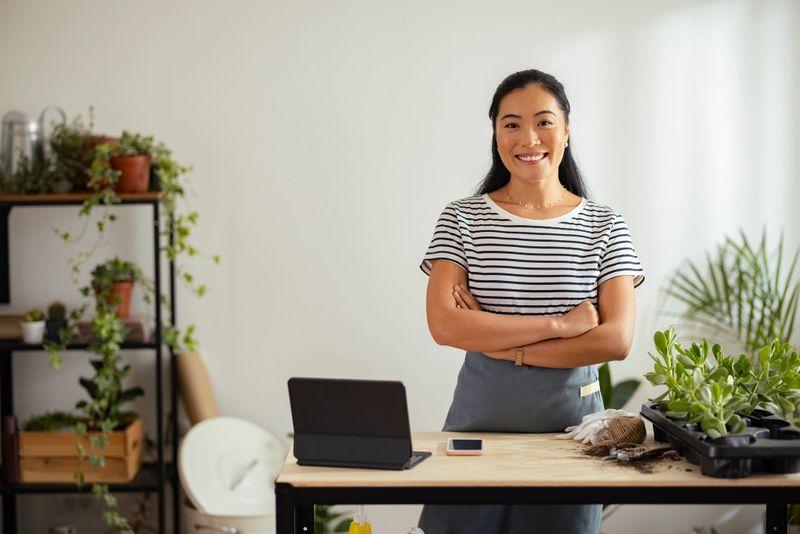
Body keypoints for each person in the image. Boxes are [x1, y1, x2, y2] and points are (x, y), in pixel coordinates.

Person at [417, 69, 644, 534]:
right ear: (496, 133)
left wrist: (499, 343)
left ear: (566, 129)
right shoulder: (462, 217)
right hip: (475, 434)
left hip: (571, 440)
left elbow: (616, 339)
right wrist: (562, 325)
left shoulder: (605, 225)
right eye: (511, 123)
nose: (528, 137)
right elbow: (444, 325)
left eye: (543, 121)